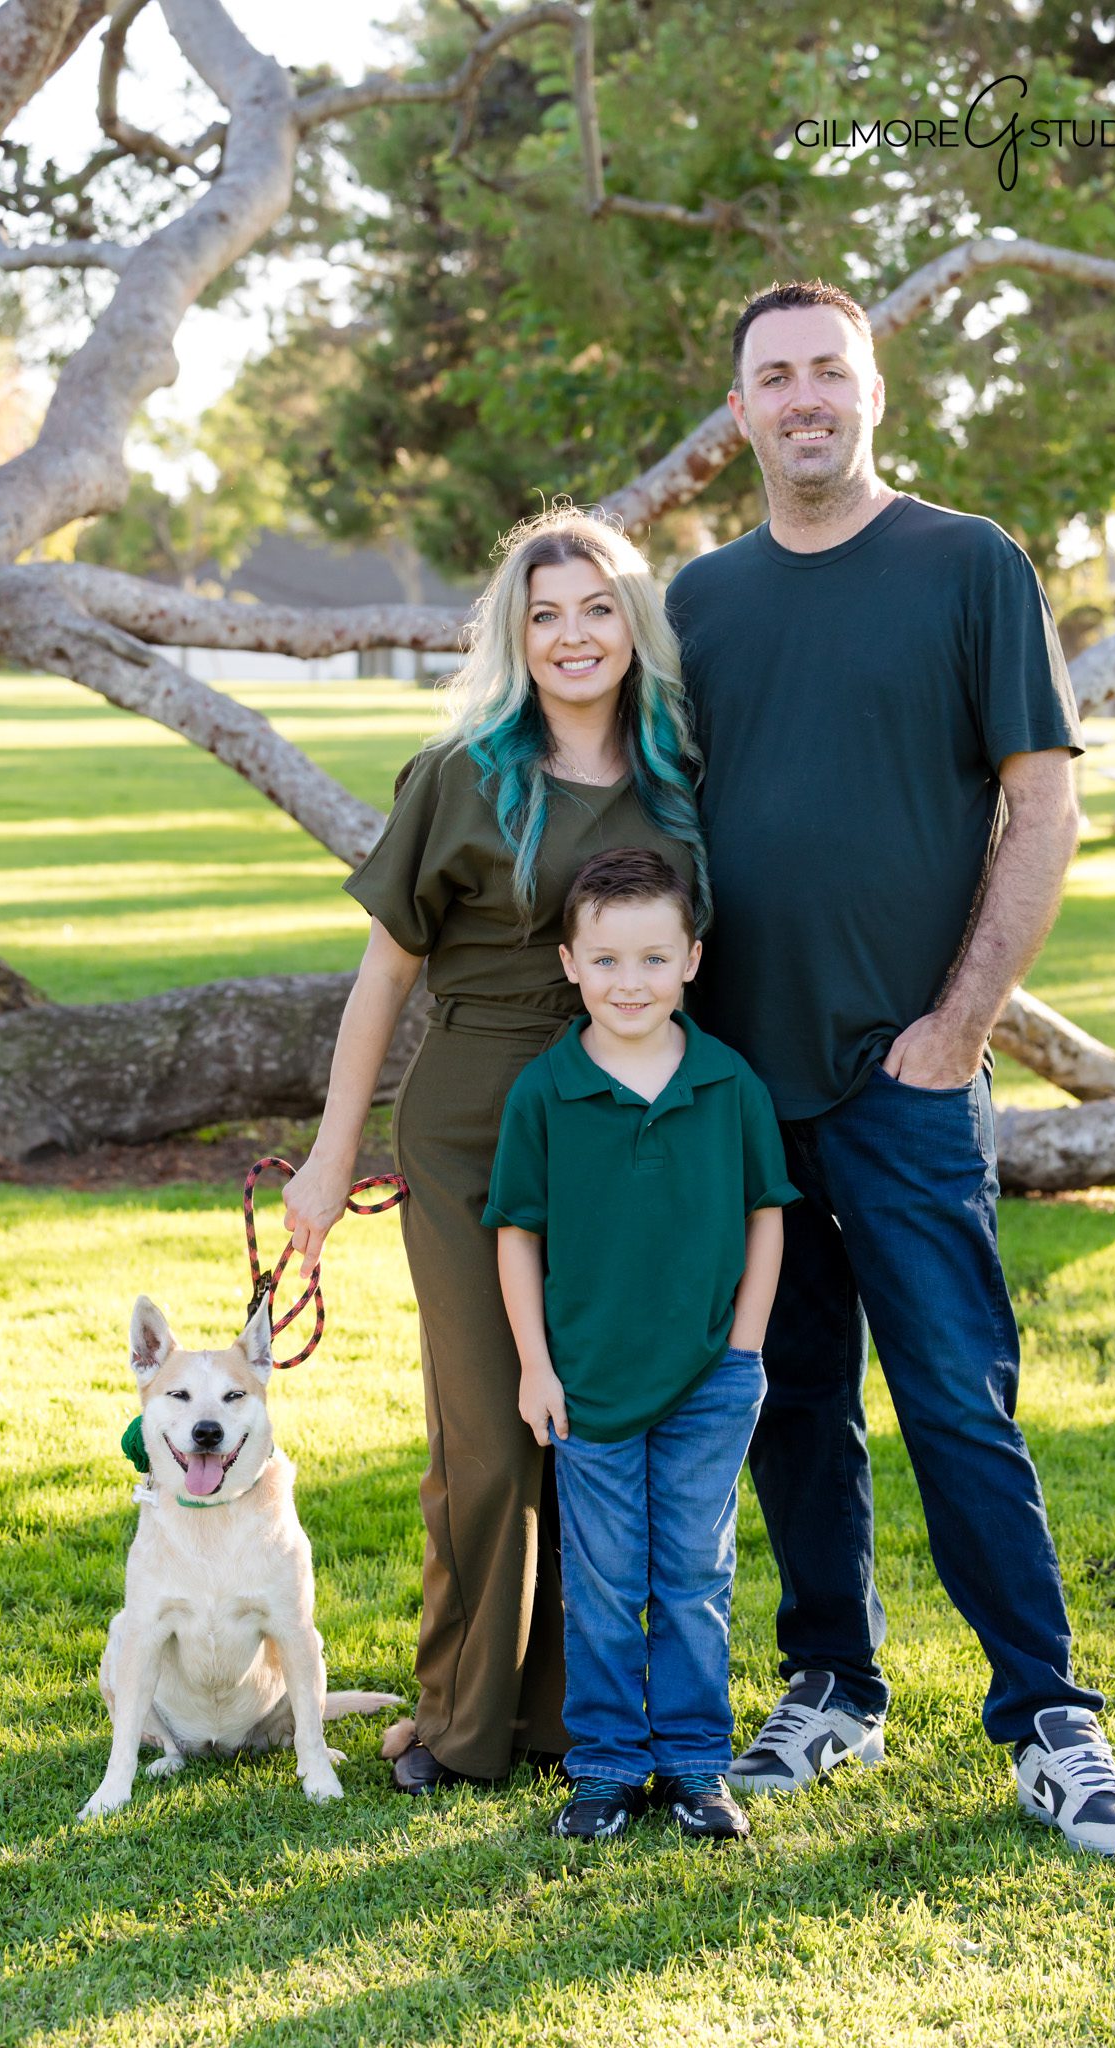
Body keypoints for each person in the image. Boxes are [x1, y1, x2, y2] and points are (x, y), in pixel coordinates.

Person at [664, 279, 1115, 1857]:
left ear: (872, 392)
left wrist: (958, 1031)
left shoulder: (967, 564)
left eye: (830, 369)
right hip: (741, 1085)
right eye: (775, 377)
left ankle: (1051, 1718)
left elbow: (1042, 807)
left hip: (909, 1078)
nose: (805, 396)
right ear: (739, 414)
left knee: (955, 1396)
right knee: (790, 1396)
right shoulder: (699, 602)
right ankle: (832, 1686)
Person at [283, 505, 710, 1793]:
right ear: (514, 638)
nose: (573, 635)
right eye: (544, 614)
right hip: (473, 1117)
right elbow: (382, 979)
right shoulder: (459, 775)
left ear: (633, 626)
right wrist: (328, 1155)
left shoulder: (681, 776)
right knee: (486, 1428)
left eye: (597, 609)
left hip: (627, 1124)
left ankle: (571, 1713)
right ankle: (460, 1718)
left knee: (599, 1417)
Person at [483, 848, 797, 1842]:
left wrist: (743, 1350)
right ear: (570, 963)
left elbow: (765, 1214)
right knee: (607, 1583)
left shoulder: (728, 1082)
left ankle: (698, 1765)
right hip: (589, 1383)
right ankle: (609, 1767)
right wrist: (535, 1365)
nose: (631, 982)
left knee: (695, 1578)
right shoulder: (546, 1091)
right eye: (608, 960)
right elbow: (517, 1231)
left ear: (692, 960)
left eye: (655, 958)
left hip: (710, 1378)